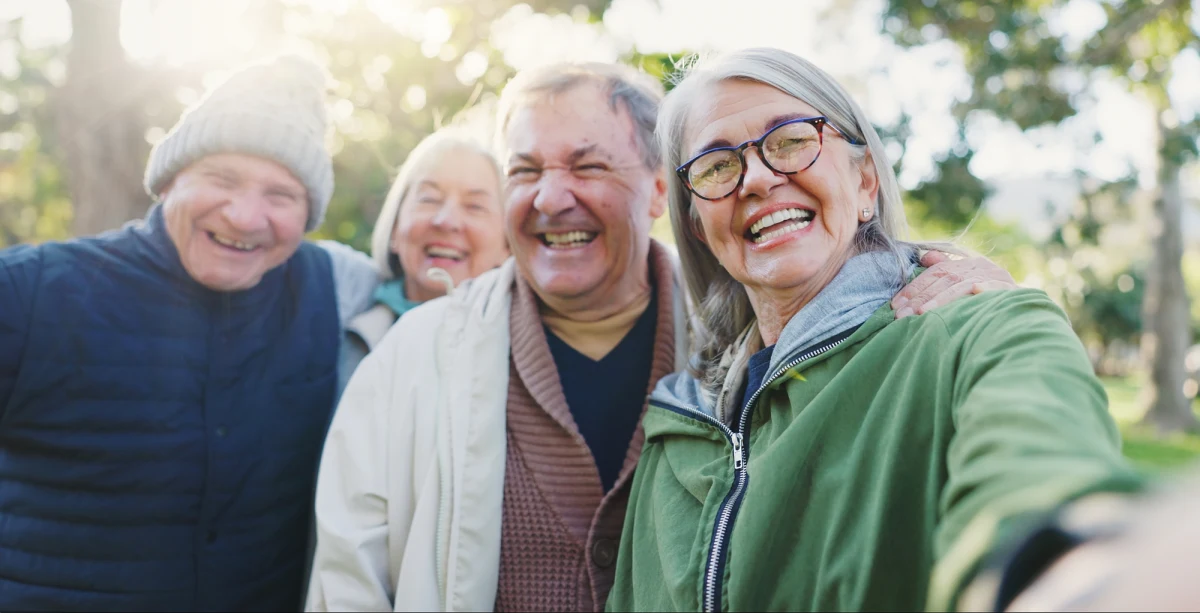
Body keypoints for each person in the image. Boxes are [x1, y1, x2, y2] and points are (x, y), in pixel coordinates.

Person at [305, 61, 1017, 612]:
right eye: (525, 171)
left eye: (587, 165)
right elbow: (346, 584)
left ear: (657, 191)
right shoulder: (414, 357)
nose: (551, 197)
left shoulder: (746, 348)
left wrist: (962, 280)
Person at [603, 48, 1145, 613]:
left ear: (865, 182)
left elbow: (1049, 499)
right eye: (716, 166)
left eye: (791, 139)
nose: (758, 179)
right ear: (699, 226)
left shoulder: (981, 333)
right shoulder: (677, 422)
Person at [0, 55, 378, 611]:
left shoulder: (334, 288)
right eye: (222, 179)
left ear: (307, 215)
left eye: (281, 195)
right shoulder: (29, 291)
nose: (245, 216)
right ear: (169, 181)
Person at [338, 129, 509, 395]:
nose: (446, 221)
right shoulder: (343, 335)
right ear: (395, 228)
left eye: (475, 206)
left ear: (507, 245)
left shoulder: (525, 348)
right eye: (429, 199)